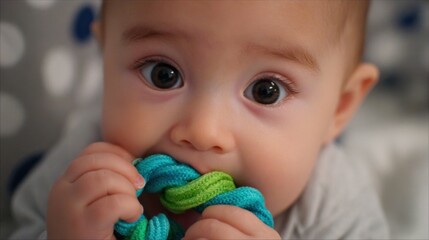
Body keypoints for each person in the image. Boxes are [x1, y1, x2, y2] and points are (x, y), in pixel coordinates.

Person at [10, 0, 389, 239]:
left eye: (266, 91)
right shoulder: (85, 171)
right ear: (105, 56)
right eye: (163, 74)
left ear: (339, 108)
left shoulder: (332, 202)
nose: (204, 131)